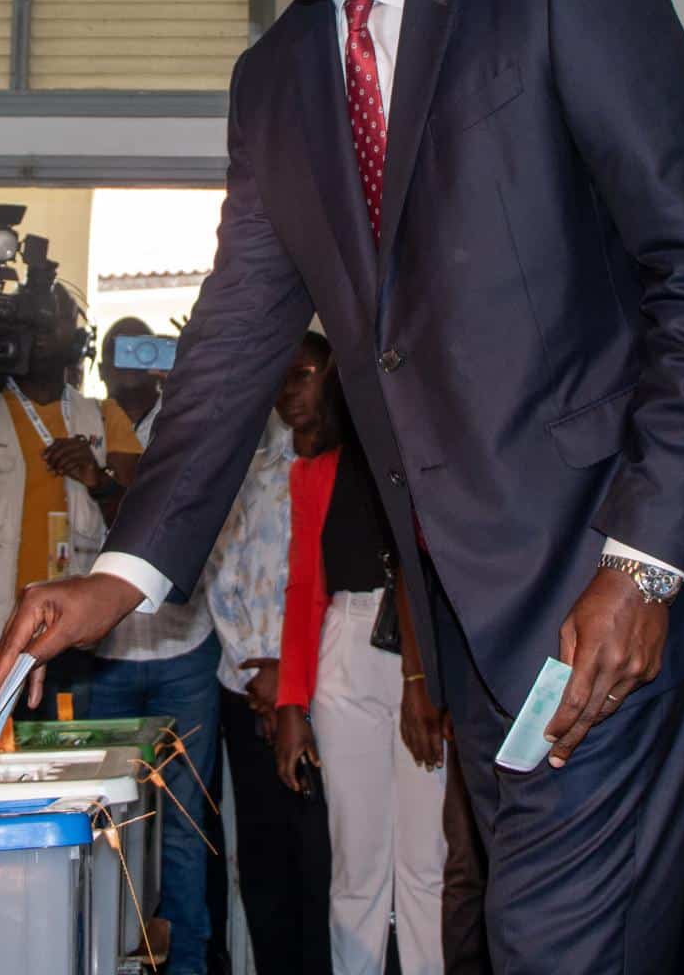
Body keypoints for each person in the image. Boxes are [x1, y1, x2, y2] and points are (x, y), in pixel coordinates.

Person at [0, 0, 684, 973]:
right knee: (537, 931)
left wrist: (648, 562)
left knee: (552, 941)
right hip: (458, 613)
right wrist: (124, 573)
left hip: (606, 583)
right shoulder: (277, 80)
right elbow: (235, 339)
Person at [273, 357, 445, 975]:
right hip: (346, 643)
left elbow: (425, 567)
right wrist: (292, 701)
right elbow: (303, 590)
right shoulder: (312, 473)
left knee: (427, 861)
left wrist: (420, 680)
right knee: (356, 862)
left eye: (306, 372)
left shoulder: (422, 452)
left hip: (423, 651)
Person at [0, 284, 139, 725]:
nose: (36, 329)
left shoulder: (103, 415)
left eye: (50, 317)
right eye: (27, 317)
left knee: (64, 784)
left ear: (78, 336)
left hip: (63, 634)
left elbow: (137, 525)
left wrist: (97, 478)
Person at [90, 315, 220, 975]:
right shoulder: (83, 427)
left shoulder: (189, 422)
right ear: (104, 367)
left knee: (184, 828)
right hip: (107, 659)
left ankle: (189, 965)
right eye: (121, 356)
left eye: (149, 355)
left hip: (182, 653)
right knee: (109, 825)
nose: (134, 368)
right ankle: (111, 959)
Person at [208, 330, 332, 975]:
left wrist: (289, 677)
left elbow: (333, 590)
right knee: (261, 854)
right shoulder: (254, 475)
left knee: (323, 854)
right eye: (280, 378)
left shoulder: (353, 473)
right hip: (246, 690)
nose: (289, 392)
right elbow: (220, 578)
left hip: (319, 691)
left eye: (304, 373)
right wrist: (254, 667)